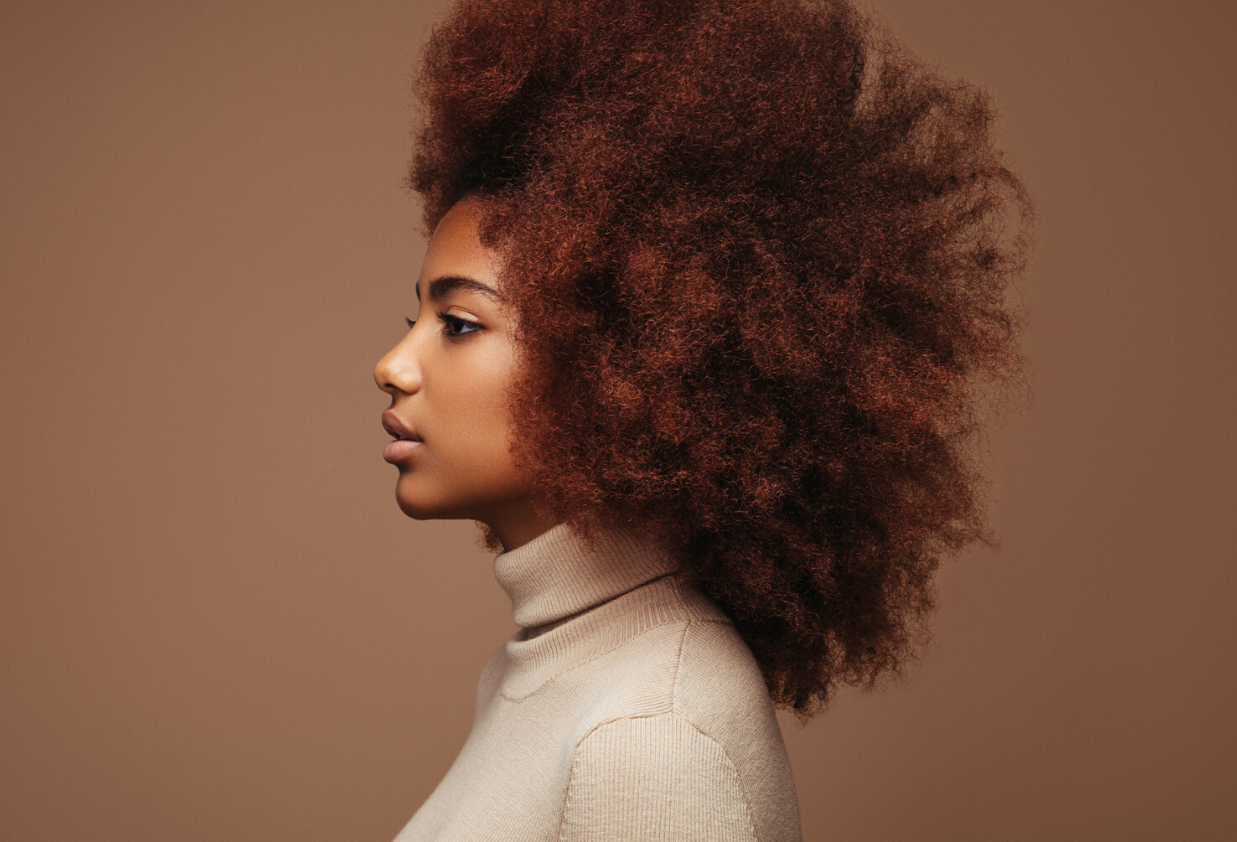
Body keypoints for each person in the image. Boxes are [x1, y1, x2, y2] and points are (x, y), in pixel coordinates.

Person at [372, 0, 1028, 838]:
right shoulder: (542, 673)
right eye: (413, 323)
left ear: (624, 362)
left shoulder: (650, 734)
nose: (393, 367)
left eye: (458, 325)